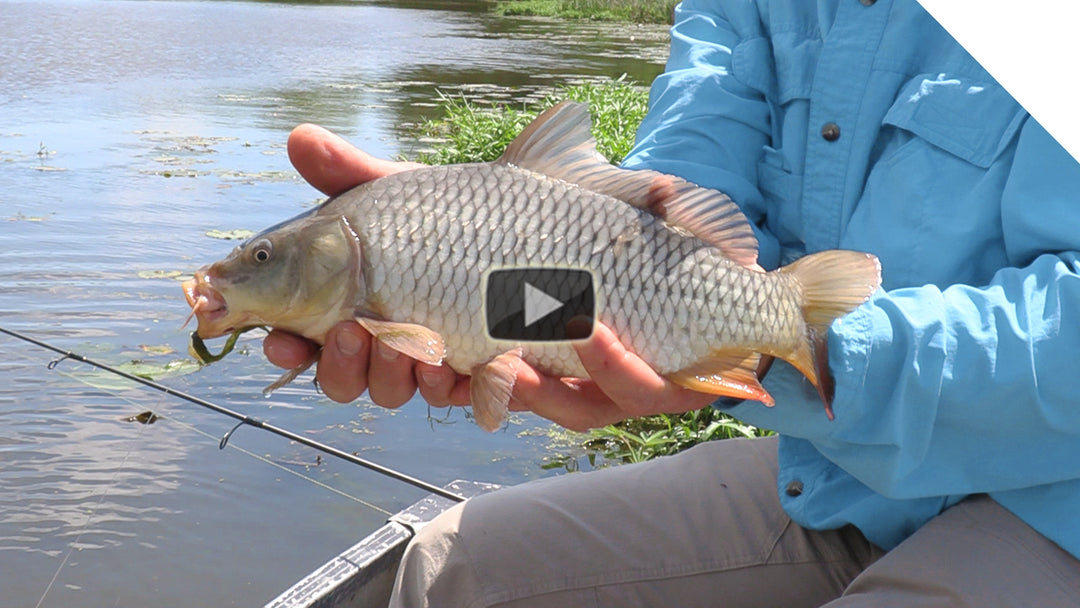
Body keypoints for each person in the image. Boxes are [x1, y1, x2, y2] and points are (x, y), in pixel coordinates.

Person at [265, 0, 1080, 605]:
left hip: (1056, 505)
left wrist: (823, 352)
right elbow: (677, 198)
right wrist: (465, 277)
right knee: (449, 573)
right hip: (838, 473)